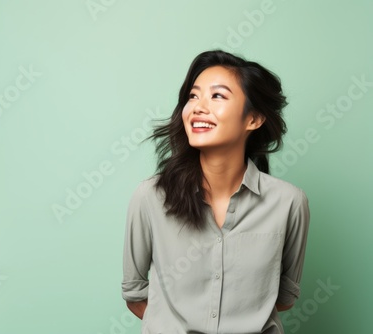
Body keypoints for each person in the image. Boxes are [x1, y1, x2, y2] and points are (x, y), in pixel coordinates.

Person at [121, 50, 310, 334]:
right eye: (193, 96)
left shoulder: (289, 203)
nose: (197, 107)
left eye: (217, 96)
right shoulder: (150, 196)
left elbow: (283, 297)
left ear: (254, 119)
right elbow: (135, 294)